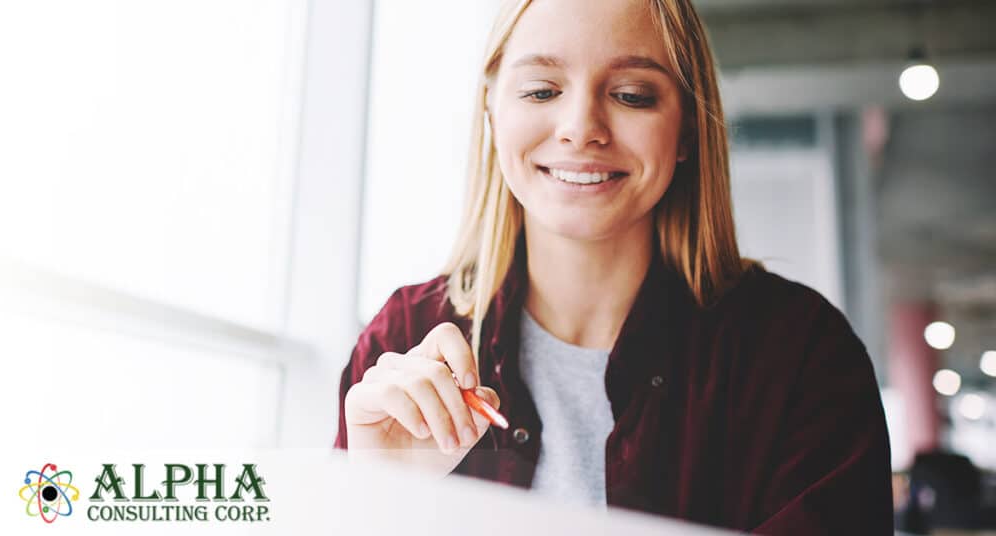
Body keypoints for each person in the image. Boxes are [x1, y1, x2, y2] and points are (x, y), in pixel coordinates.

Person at [333, 0, 894, 533]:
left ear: (688, 130)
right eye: (541, 90)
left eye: (631, 95)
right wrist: (382, 503)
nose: (581, 127)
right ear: (491, 110)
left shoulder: (800, 355)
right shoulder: (403, 340)